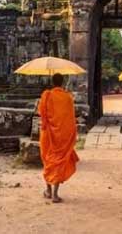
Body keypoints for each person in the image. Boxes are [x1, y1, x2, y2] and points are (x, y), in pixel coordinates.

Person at [38, 73, 79, 203]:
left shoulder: (46, 95)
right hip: (63, 136)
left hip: (48, 135)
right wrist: (72, 134)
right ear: (62, 82)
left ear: (52, 81)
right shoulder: (68, 98)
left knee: (48, 160)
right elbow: (71, 119)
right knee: (59, 162)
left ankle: (48, 190)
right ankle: (55, 193)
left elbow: (42, 115)